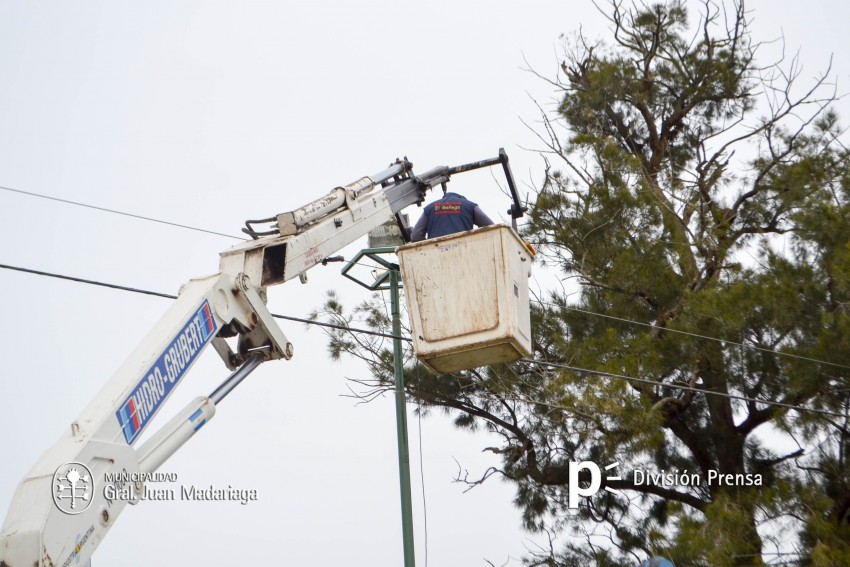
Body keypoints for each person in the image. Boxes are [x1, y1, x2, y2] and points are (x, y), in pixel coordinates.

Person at [410, 190, 494, 242]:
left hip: (436, 256)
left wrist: (427, 248)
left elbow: (415, 236)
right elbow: (492, 228)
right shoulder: (470, 206)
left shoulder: (429, 208)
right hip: (465, 254)